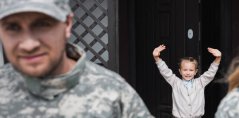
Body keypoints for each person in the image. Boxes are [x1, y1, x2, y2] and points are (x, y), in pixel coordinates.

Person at [0, 0, 153, 117]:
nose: (28, 45)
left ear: (67, 24)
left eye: (42, 24)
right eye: (12, 27)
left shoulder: (114, 92)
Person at [153, 44, 221, 118]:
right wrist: (156, 58)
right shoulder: (175, 82)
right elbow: (165, 71)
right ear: (180, 71)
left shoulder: (200, 82)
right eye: (185, 70)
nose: (188, 73)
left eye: (191, 70)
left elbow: (210, 73)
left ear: (195, 72)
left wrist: (218, 58)